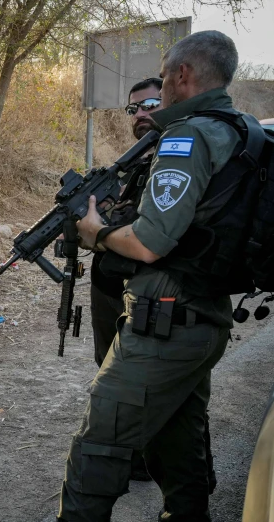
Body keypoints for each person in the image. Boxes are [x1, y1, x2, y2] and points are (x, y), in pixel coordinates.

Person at [58, 30, 242, 521]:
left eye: (164, 77)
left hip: (165, 323)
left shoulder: (187, 136)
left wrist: (96, 233)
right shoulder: (242, 128)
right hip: (205, 317)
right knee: (179, 445)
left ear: (182, 75)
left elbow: (147, 242)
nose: (162, 86)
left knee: (96, 446)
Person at [88, 77, 162, 483]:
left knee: (138, 380)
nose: (141, 114)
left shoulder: (173, 157)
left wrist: (97, 233)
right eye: (134, 108)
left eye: (151, 103)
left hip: (150, 291)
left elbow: (150, 236)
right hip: (112, 288)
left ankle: (142, 460)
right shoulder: (131, 162)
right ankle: (133, 458)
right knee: (110, 367)